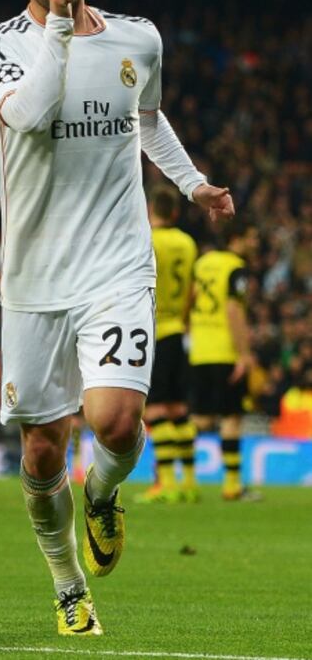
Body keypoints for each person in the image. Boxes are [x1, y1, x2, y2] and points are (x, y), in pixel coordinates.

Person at [0, 0, 235, 637]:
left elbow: (144, 117)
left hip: (118, 264)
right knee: (40, 447)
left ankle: (104, 493)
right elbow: (27, 115)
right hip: (34, 279)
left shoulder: (137, 39)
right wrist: (57, 28)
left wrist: (193, 184)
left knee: (116, 423)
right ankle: (66, 583)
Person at [135, 184, 199, 504]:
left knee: (156, 409)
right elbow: (193, 291)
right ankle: (189, 482)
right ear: (175, 212)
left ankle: (167, 483)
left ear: (151, 211)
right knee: (179, 410)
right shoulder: (188, 244)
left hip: (154, 329)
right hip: (179, 331)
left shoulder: (146, 240)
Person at [188, 221, 260, 501]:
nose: (254, 243)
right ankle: (232, 485)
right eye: (251, 237)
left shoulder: (203, 262)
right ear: (236, 238)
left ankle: (180, 477)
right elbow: (233, 310)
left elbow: (191, 297)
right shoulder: (236, 268)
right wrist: (244, 354)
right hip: (224, 350)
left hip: (199, 350)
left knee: (200, 419)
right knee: (232, 416)